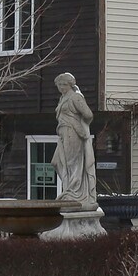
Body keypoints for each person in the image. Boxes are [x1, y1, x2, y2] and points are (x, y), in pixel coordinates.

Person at [52, 72, 97, 209]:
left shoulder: (75, 97)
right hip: (63, 133)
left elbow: (88, 114)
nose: (61, 87)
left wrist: (80, 124)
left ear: (70, 84)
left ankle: (74, 193)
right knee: (57, 161)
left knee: (73, 163)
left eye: (64, 84)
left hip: (73, 132)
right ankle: (69, 190)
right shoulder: (63, 98)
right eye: (59, 85)